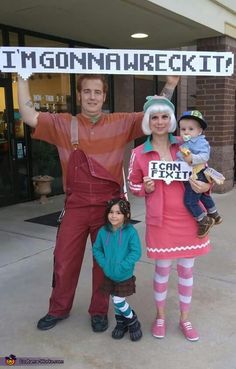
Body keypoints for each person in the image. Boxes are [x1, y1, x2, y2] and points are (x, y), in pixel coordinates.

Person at [17, 73, 179, 332]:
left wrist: (170, 85)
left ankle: (99, 311)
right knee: (64, 259)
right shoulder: (62, 124)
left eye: (97, 92)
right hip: (76, 205)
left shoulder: (121, 122)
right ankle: (58, 309)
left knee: (105, 261)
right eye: (87, 91)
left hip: (110, 207)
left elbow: (155, 113)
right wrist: (21, 78)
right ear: (79, 95)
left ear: (104, 96)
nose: (92, 96)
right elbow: (29, 116)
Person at [128, 95, 212, 341]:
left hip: (190, 217)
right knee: (162, 271)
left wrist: (202, 186)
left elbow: (207, 175)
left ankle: (185, 319)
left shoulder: (186, 144)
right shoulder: (139, 153)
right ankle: (161, 316)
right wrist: (146, 188)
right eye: (154, 117)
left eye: (165, 116)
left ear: (171, 119)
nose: (160, 122)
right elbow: (132, 186)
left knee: (186, 271)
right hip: (160, 221)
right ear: (147, 121)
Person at [93, 197, 142, 341]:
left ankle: (133, 322)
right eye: (111, 212)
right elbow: (97, 249)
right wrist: (104, 263)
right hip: (109, 273)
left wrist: (123, 265)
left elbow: (136, 252)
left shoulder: (130, 232)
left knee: (119, 301)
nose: (114, 216)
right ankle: (121, 324)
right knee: (115, 299)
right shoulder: (103, 231)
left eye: (119, 213)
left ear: (126, 215)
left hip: (123, 274)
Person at [176, 110, 223, 238]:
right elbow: (180, 156)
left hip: (198, 174)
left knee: (190, 201)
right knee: (202, 196)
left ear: (199, 131)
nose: (186, 132)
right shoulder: (184, 143)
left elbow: (205, 156)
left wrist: (192, 158)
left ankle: (203, 220)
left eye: (191, 129)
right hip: (189, 174)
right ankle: (214, 214)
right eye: (183, 129)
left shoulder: (201, 142)